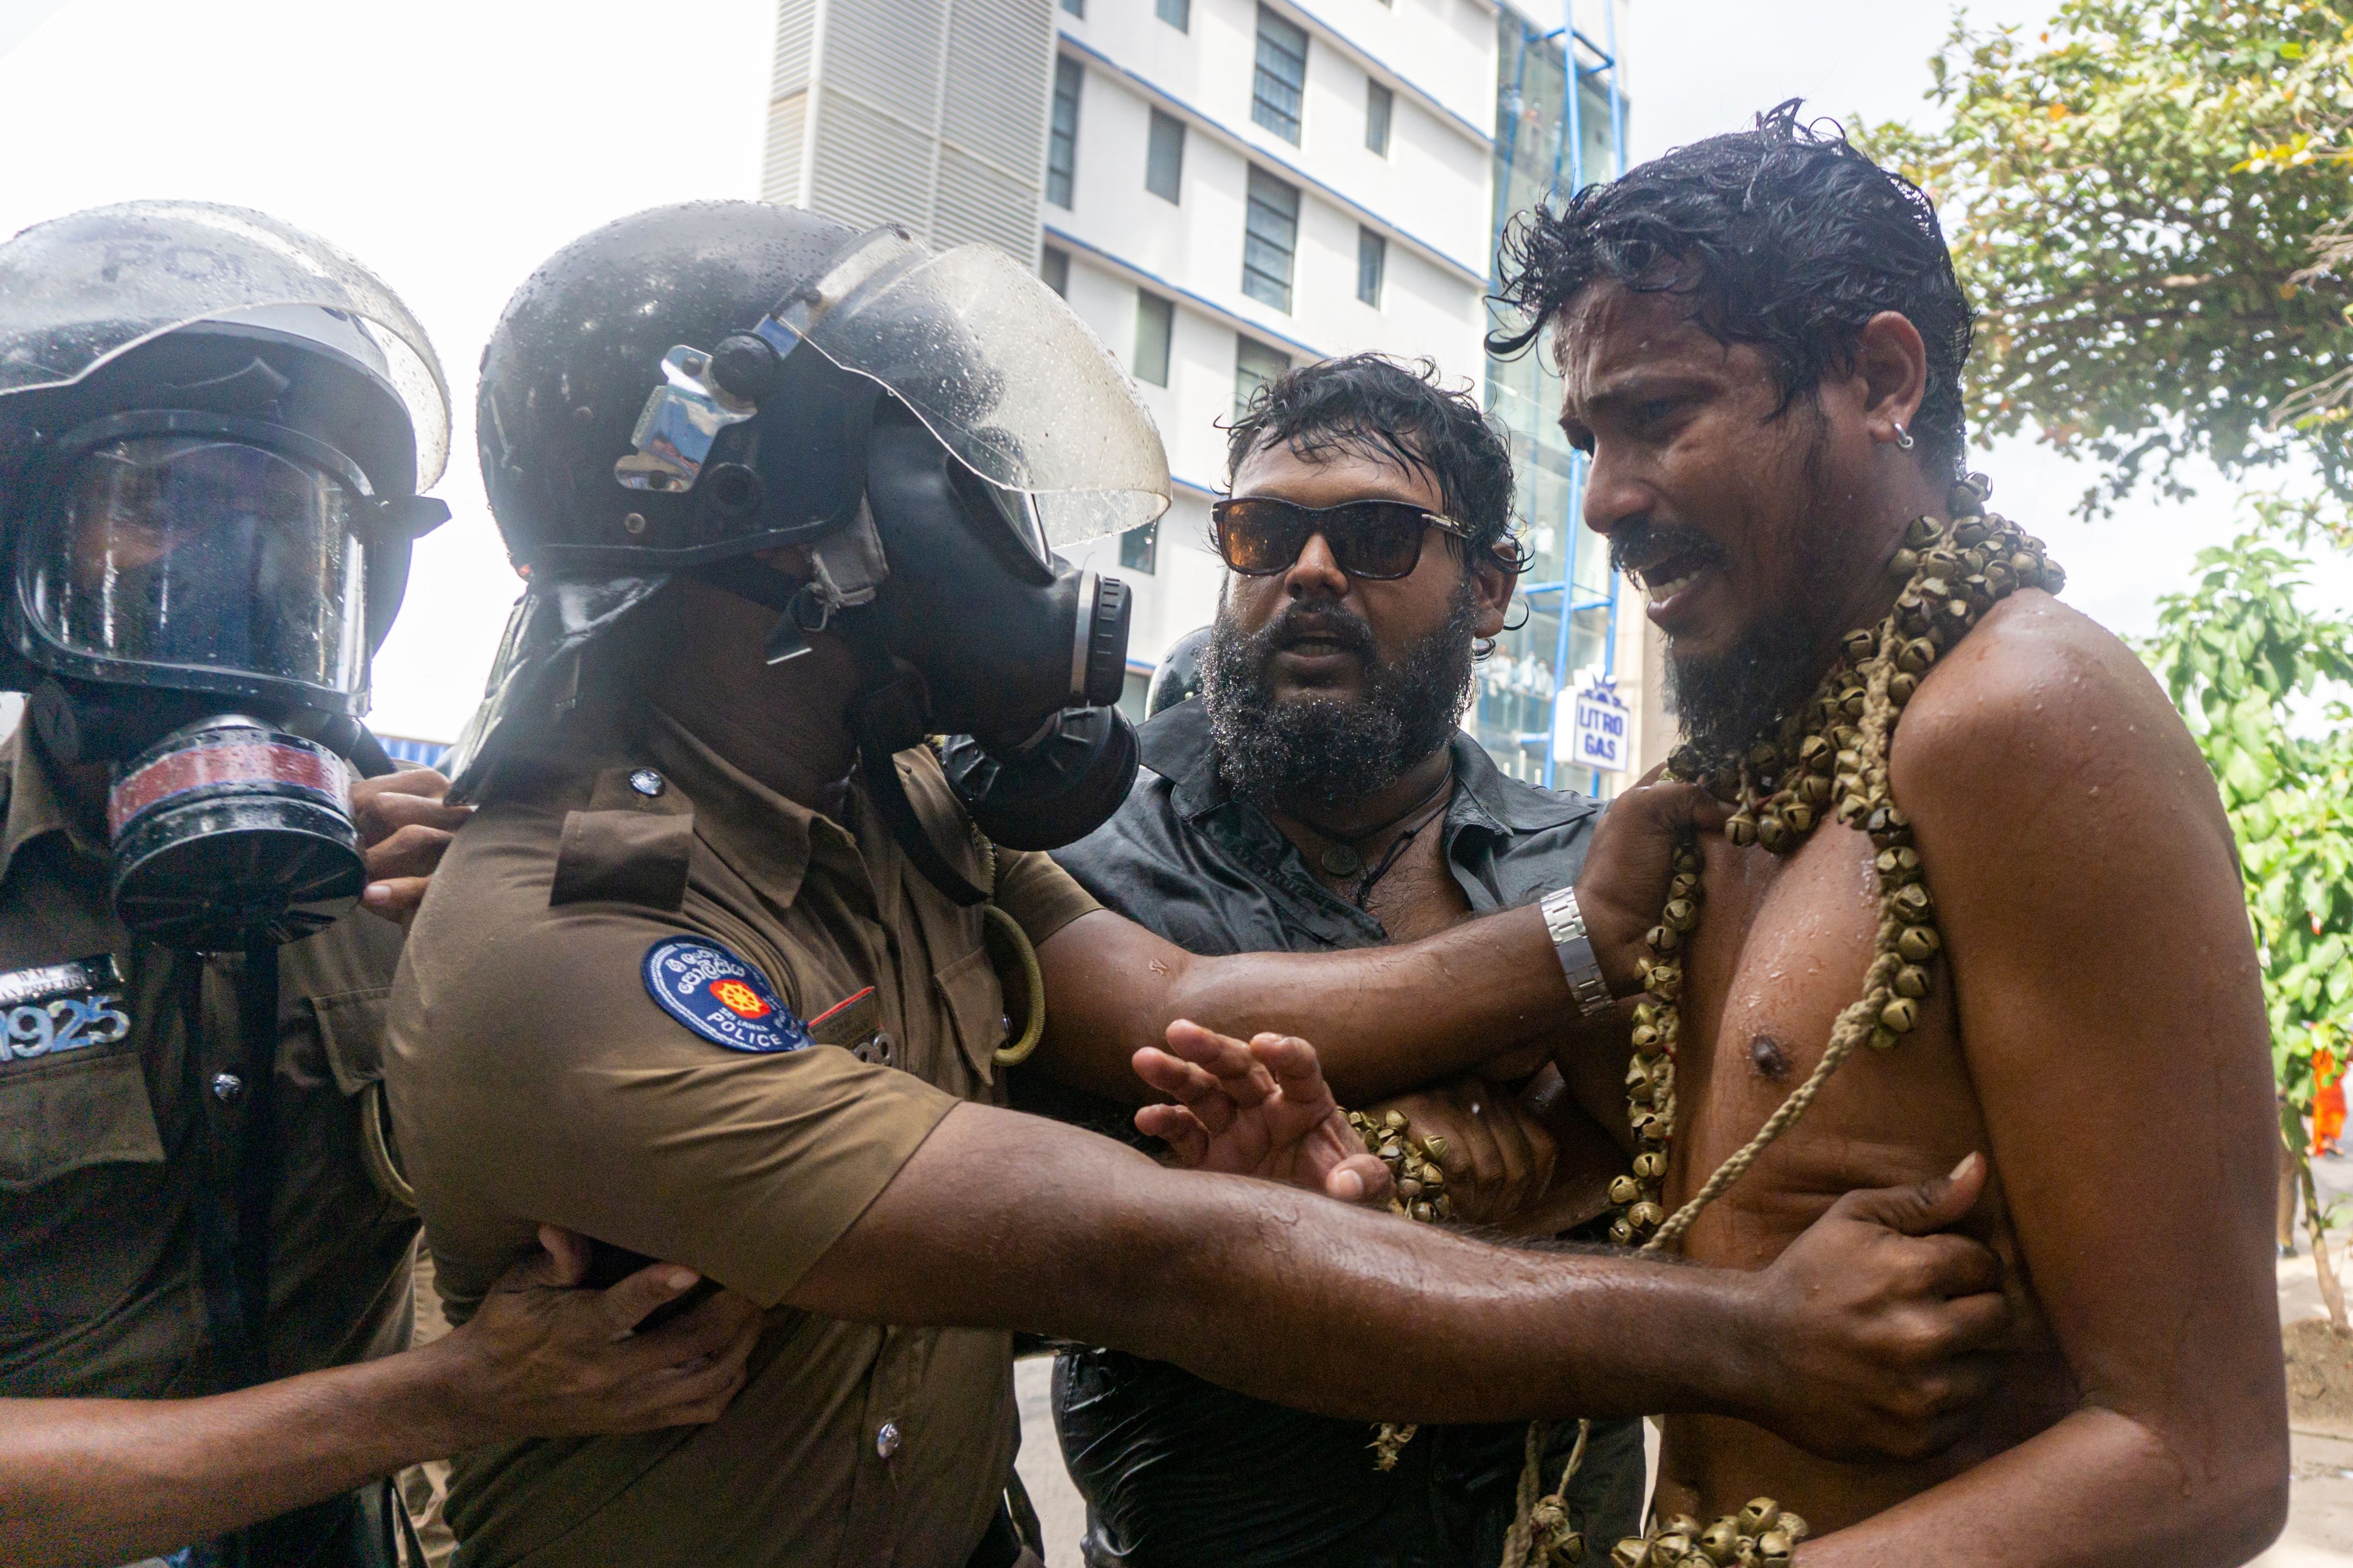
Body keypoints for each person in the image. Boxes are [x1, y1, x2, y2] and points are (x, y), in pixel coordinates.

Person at [383, 199, 2016, 1568]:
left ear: (1484, 590)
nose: (1013, 542)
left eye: (1376, 540)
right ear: (796, 530)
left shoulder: (914, 816)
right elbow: (1145, 1252)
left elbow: (1177, 1010)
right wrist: (1755, 1335)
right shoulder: (580, 940)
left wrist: (1577, 969)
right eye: (947, 482)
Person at [1471, 104, 2289, 1562]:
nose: (1605, 500)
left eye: (1664, 414)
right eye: (1591, 437)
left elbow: (2199, 1454)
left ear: (1883, 377)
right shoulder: (1746, 776)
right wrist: (1404, 1159)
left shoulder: (2020, 717)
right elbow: (1712, 1193)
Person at [0, 202, 761, 1568]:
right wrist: (449, 1396)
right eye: (154, 505)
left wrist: (548, 863)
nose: (234, 568)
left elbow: (742, 917)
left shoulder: (416, 855)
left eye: (282, 521)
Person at [1042, 354, 1642, 1568]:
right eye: (1263, 533)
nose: (1310, 572)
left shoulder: (1584, 861)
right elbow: (1022, 1175)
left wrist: (1548, 1172)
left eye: (1374, 534)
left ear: (1485, 588)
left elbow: (1700, 1155)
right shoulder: (1091, 855)